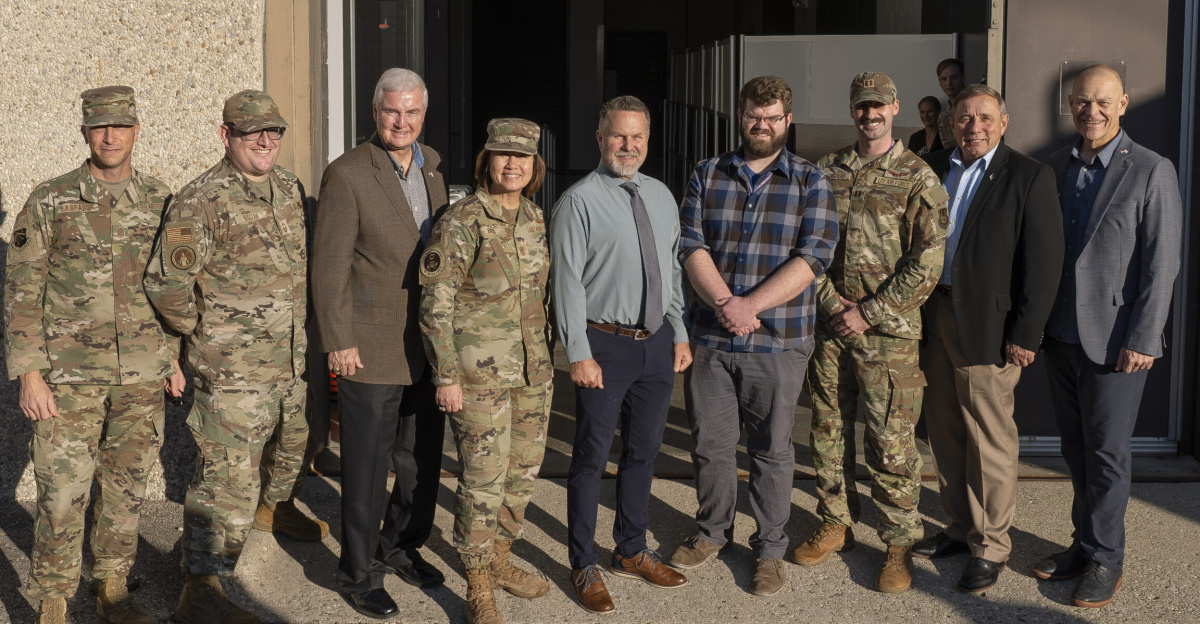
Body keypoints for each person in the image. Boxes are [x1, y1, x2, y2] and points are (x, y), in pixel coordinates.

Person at [5, 86, 184, 624]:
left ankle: (112, 587)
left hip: (141, 377)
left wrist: (171, 356)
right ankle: (54, 598)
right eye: (100, 126)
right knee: (60, 494)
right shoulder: (50, 200)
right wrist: (29, 375)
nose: (111, 136)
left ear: (136, 130)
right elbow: (21, 291)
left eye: (121, 126)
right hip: (68, 379)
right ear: (84, 132)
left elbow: (170, 288)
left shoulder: (160, 200)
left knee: (125, 490)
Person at [144, 90, 324, 624]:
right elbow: (165, 282)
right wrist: (200, 337)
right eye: (252, 134)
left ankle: (270, 513)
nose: (266, 142)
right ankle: (199, 589)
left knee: (292, 450)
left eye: (274, 132)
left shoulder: (289, 188)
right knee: (224, 485)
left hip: (288, 363)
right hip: (232, 374)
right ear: (226, 137)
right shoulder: (200, 200)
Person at [666, 75, 838, 596]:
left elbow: (814, 257)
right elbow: (691, 245)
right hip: (713, 340)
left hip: (779, 341)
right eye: (751, 116)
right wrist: (725, 304)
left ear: (788, 120)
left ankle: (769, 549)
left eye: (771, 117)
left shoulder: (811, 180)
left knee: (772, 450)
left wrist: (750, 306)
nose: (760, 126)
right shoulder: (707, 172)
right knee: (712, 444)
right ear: (739, 117)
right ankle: (713, 532)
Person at [793, 72, 947, 594]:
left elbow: (927, 263)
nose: (870, 114)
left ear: (895, 107)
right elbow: (805, 246)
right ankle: (836, 521)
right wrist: (833, 303)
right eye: (862, 106)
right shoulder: (826, 170)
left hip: (888, 335)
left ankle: (898, 543)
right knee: (828, 428)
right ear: (852, 110)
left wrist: (870, 311)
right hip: (830, 326)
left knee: (891, 439)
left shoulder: (918, 176)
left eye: (879, 105)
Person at [1036, 64, 1182, 609]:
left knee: (1107, 455)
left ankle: (1106, 559)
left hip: (1118, 342)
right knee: (1074, 451)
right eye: (1080, 103)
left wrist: (1145, 337)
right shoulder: (1054, 169)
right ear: (1069, 106)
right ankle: (1083, 544)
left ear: (1123, 104)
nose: (1090, 113)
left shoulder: (1149, 169)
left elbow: (1161, 264)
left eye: (1102, 103)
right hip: (1062, 337)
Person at [913, 84, 1064, 594]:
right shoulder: (929, 166)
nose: (973, 125)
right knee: (945, 431)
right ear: (951, 122)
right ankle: (960, 527)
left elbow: (1043, 265)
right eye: (963, 116)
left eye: (984, 117)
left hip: (990, 329)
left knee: (990, 439)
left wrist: (1026, 332)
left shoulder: (1028, 176)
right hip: (933, 319)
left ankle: (993, 544)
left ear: (1003, 122)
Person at [311, 67, 449, 619]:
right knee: (367, 468)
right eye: (393, 110)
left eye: (412, 112)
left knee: (420, 462)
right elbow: (329, 267)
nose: (402, 121)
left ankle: (399, 546)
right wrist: (338, 341)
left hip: (429, 345)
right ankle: (357, 571)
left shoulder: (433, 167)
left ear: (423, 115)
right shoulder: (347, 174)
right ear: (375, 112)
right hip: (368, 344)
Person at [552, 95, 693, 614]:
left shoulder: (660, 195)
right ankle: (583, 561)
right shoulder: (579, 201)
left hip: (655, 344)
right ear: (600, 138)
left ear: (648, 141)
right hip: (603, 345)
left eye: (637, 137)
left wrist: (678, 331)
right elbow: (565, 282)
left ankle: (631, 550)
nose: (628, 146)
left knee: (643, 453)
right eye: (618, 136)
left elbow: (672, 272)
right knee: (590, 458)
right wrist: (578, 352)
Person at [418, 118, 553, 624]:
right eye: (502, 155)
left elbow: (541, 299)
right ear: (486, 160)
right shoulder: (461, 221)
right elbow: (436, 303)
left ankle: (499, 557)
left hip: (533, 373)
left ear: (534, 165)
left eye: (522, 157)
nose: (513, 164)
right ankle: (477, 583)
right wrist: (445, 375)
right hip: (478, 379)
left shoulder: (535, 219)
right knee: (482, 480)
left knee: (521, 474)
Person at [934, 58, 965, 151]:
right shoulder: (943, 116)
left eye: (954, 77)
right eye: (944, 79)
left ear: (963, 77)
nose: (949, 83)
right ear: (939, 82)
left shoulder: (977, 105)